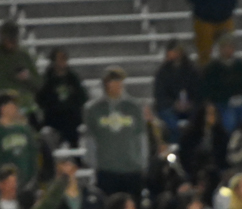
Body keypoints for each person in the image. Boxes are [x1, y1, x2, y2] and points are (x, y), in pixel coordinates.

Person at [84, 68, 149, 199]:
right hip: (106, 168)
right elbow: (89, 138)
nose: (118, 85)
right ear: (106, 84)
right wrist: (93, 163)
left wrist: (143, 162)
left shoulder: (134, 107)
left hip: (132, 167)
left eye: (120, 81)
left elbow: (141, 136)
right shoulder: (94, 109)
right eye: (113, 81)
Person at [0, 92, 40, 188]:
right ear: (3, 108)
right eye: (13, 105)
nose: (16, 108)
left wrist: (32, 179)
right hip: (7, 185)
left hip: (29, 184)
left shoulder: (24, 129)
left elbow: (33, 155)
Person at [36, 49, 88, 149]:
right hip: (53, 118)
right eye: (60, 59)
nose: (63, 62)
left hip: (72, 119)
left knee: (75, 141)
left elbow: (83, 97)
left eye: (64, 59)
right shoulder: (47, 79)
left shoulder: (73, 78)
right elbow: (40, 99)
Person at [152, 40, 201, 139]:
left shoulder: (192, 70)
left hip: (191, 106)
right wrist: (174, 104)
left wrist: (190, 103)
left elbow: (199, 91)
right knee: (170, 121)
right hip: (170, 106)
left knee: (198, 118)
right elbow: (160, 94)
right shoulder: (163, 72)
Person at [186, 0, 238, 65]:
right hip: (203, 18)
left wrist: (230, 4)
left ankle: (228, 73)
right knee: (204, 55)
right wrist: (200, 3)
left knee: (228, 53)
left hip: (225, 16)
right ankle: (205, 73)